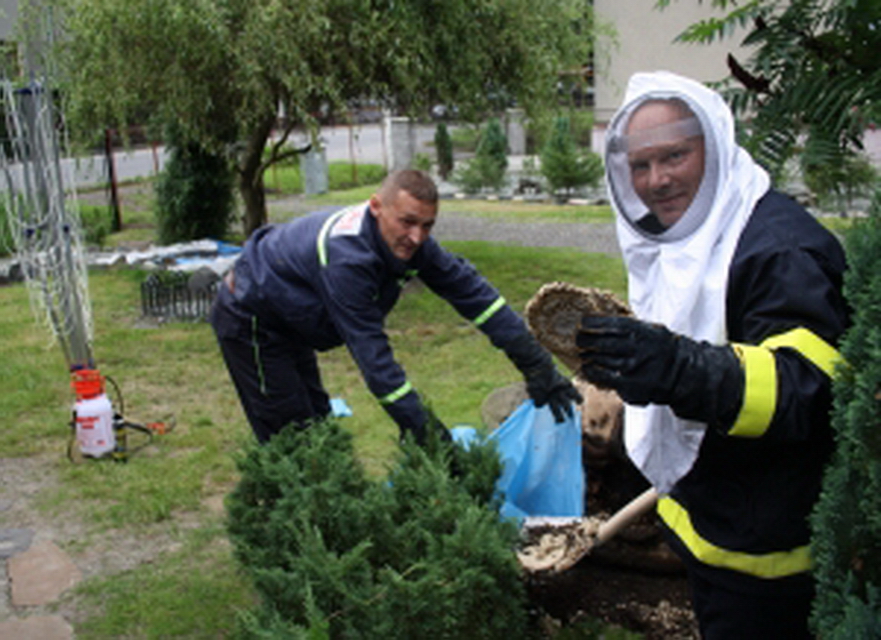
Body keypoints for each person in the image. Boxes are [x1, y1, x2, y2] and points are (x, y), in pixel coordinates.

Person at [576, 71, 849, 638]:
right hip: (709, 527)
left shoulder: (779, 250)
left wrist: (677, 368)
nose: (657, 181)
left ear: (717, 147)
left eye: (675, 156)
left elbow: (809, 389)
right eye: (641, 166)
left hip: (766, 559)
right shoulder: (688, 233)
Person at [210, 169, 580, 446]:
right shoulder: (347, 260)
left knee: (316, 420)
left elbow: (478, 299)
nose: (416, 237)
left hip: (291, 319)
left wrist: (535, 362)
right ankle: (299, 536)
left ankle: (325, 518)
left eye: (427, 225)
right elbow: (374, 360)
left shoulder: (413, 243)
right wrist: (420, 426)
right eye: (407, 222)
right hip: (252, 318)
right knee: (290, 434)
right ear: (376, 207)